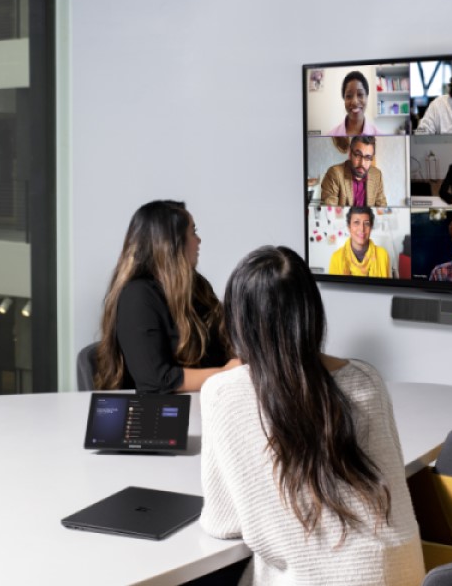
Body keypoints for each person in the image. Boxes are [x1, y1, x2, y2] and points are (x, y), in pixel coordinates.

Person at [199, 246, 424, 586]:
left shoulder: (222, 393)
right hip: (401, 574)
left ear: (238, 320)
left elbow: (223, 522)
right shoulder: (366, 379)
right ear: (312, 312)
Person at [94, 200, 235, 394]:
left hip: (205, 403)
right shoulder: (138, 297)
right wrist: (224, 374)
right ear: (172, 244)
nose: (199, 240)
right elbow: (157, 380)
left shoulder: (198, 287)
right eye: (193, 232)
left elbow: (220, 350)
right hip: (159, 416)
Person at [320, 135, 388, 207]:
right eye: (358, 155)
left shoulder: (376, 174)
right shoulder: (335, 173)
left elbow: (382, 207)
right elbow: (329, 210)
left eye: (368, 157)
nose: (362, 163)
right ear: (350, 154)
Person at [328, 206, 391, 277]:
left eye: (366, 223)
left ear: (371, 228)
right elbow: (334, 288)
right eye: (356, 222)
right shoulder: (336, 258)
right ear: (349, 227)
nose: (362, 229)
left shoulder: (383, 255)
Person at [327, 71, 380, 136]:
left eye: (360, 94)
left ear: (366, 97)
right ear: (344, 99)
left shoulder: (379, 135)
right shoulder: (331, 135)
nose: (355, 102)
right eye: (349, 96)